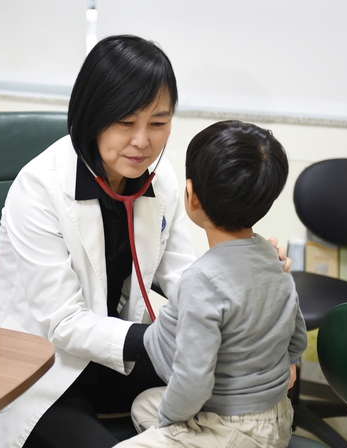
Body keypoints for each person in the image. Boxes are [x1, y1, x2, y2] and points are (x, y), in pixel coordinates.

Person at [0, 36, 289, 448]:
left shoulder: (160, 183)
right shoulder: (39, 188)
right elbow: (63, 323)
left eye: (159, 123)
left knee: (239, 385)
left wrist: (245, 279)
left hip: (119, 356)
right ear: (92, 116)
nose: (143, 141)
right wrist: (167, 339)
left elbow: (186, 278)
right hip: (43, 367)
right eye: (126, 123)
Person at [115, 121, 308, 448]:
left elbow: (193, 382)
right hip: (277, 415)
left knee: (147, 427)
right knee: (145, 404)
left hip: (232, 429)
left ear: (191, 197)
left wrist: (168, 428)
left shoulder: (201, 280)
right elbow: (297, 335)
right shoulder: (272, 257)